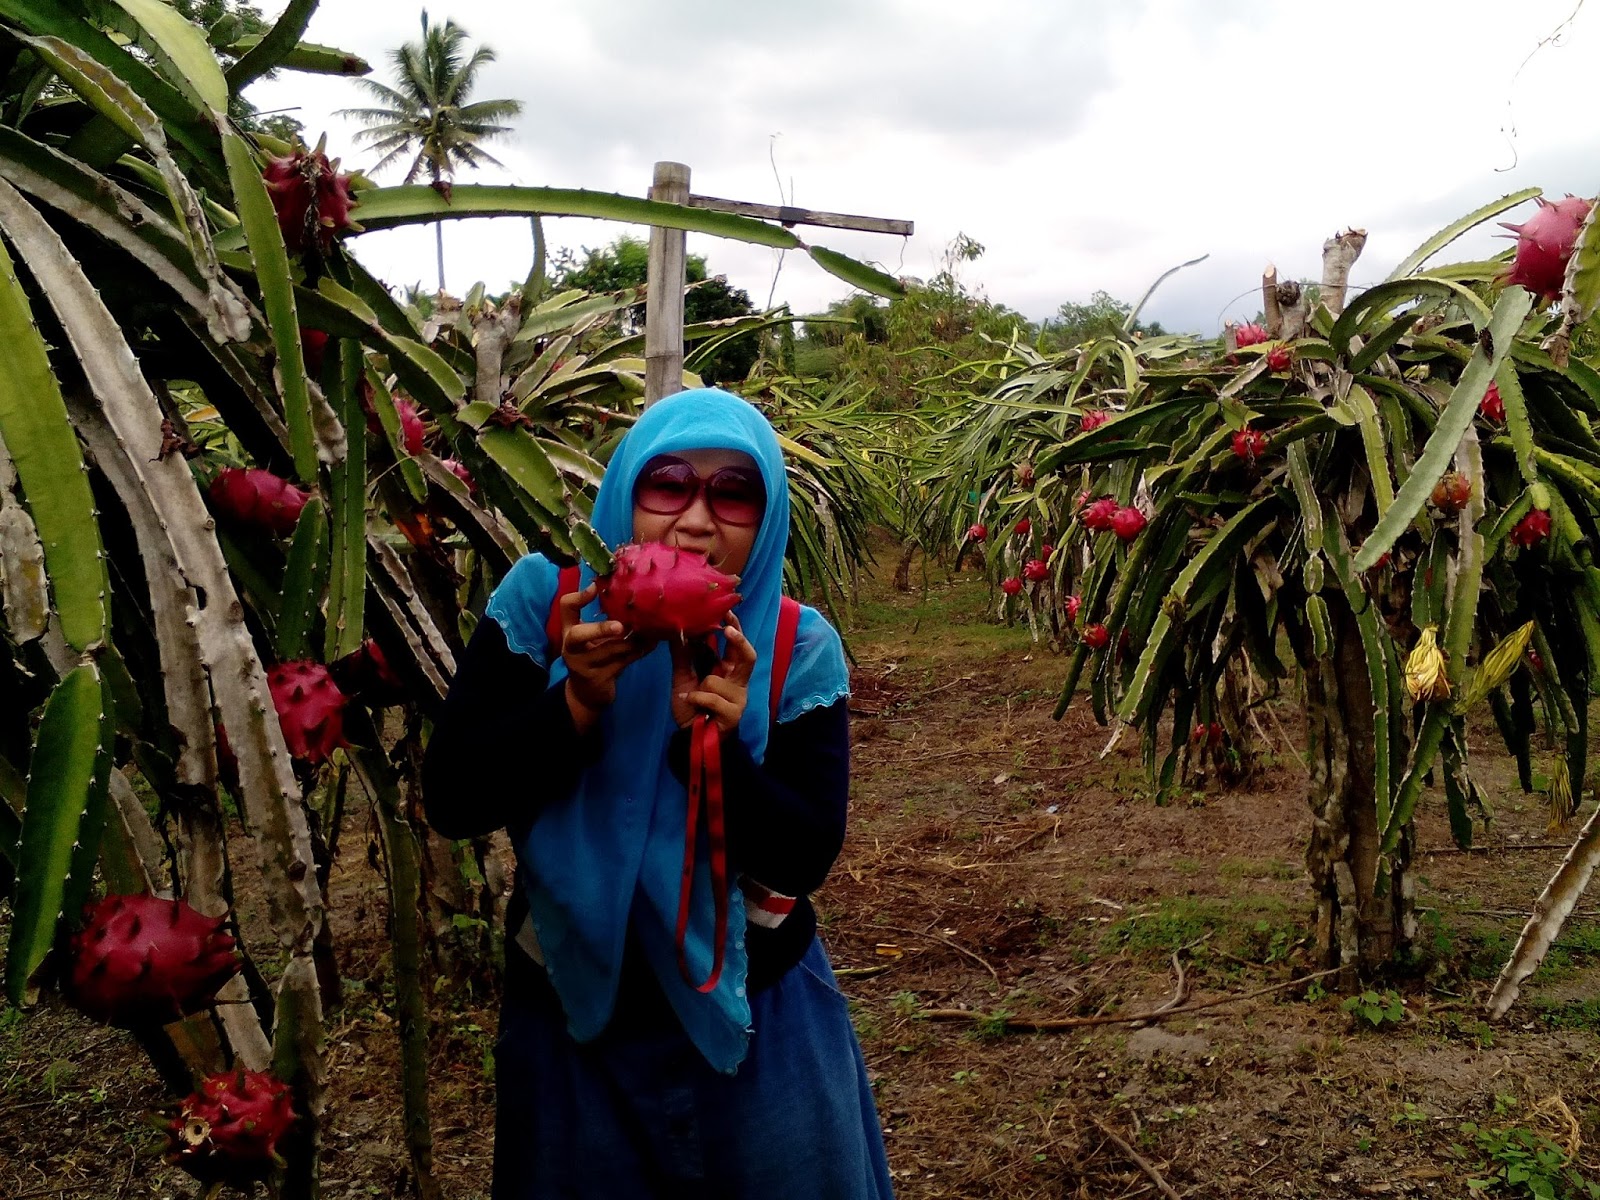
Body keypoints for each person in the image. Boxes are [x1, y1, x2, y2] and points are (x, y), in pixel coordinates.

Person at [421, 387, 894, 1199]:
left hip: (759, 1012)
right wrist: (571, 706)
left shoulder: (794, 645)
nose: (697, 521)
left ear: (768, 513)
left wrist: (706, 743)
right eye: (668, 484)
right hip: (568, 1016)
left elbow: (804, 851)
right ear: (624, 492)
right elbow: (454, 797)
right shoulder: (544, 605)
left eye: (735, 493)